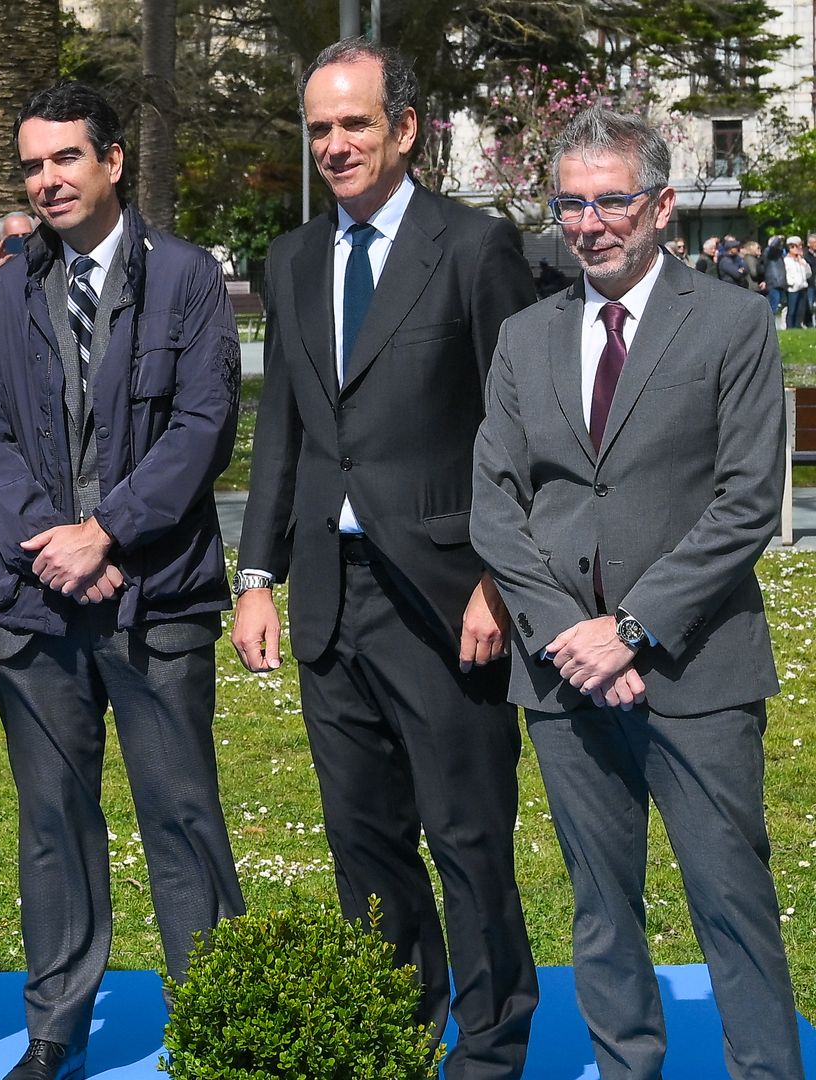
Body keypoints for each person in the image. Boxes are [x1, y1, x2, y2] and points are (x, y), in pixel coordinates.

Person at [471, 106, 804, 1080]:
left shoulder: (735, 323)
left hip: (697, 672)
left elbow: (746, 503)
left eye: (612, 200)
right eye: (570, 202)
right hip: (565, 679)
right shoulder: (526, 338)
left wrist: (632, 629)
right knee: (601, 908)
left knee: (731, 902)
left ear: (662, 205)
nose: (589, 222)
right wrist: (569, 632)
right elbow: (497, 505)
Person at [230, 38, 538, 1077]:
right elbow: (286, 429)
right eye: (319, 127)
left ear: (405, 128)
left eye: (354, 123)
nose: (334, 145)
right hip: (329, 596)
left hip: (452, 600)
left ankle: (492, 1049)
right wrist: (257, 575)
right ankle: (399, 1031)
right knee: (363, 845)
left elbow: (517, 424)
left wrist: (503, 578)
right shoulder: (293, 259)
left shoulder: (476, 247)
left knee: (467, 839)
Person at [0, 82, 245, 1080]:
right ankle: (55, 1028)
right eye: (33, 165)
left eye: (66, 160)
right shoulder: (4, 288)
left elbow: (203, 426)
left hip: (157, 598)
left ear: (112, 162)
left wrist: (109, 533)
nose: (48, 181)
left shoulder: (189, 279)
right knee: (51, 823)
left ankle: (217, 1018)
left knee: (182, 814)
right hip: (37, 608)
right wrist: (50, 540)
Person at [786, 237, 810, 330]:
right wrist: (791, 283)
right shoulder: (787, 260)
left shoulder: (801, 260)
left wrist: (803, 263)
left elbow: (808, 273)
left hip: (803, 287)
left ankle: (797, 326)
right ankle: (790, 327)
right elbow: (787, 274)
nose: (797, 249)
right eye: (793, 247)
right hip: (793, 288)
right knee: (792, 309)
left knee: (801, 310)